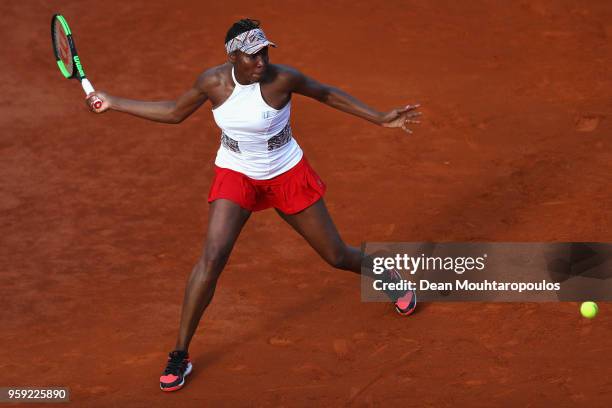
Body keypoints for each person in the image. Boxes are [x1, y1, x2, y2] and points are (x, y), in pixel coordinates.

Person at [86, 18, 422, 392]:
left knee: (336, 255)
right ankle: (180, 353)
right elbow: (173, 112)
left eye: (264, 51)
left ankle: (385, 274)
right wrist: (113, 102)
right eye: (252, 54)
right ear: (233, 56)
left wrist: (379, 117)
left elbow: (326, 93)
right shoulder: (211, 82)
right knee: (212, 259)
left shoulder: (283, 79)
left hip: (286, 173)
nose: (261, 60)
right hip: (237, 173)